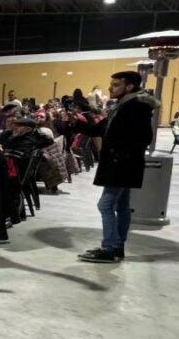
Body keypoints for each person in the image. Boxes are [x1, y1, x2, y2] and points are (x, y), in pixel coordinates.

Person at [68, 71, 158, 263]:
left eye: (116, 84)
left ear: (130, 87)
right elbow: (98, 130)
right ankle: (117, 247)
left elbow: (144, 138)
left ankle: (109, 248)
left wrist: (119, 152)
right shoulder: (122, 105)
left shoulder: (137, 107)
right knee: (121, 205)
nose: (110, 88)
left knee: (106, 204)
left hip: (121, 164)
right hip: (122, 163)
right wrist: (75, 123)